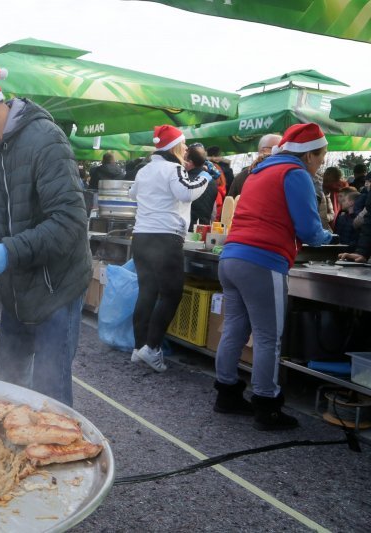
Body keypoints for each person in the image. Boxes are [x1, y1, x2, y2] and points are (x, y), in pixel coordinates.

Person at [0, 60, 91, 406]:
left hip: (57, 285)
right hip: (15, 286)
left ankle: (57, 454)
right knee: (8, 382)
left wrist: (8, 251)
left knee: (49, 389)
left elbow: (70, 220)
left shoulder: (46, 140)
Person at [214, 123, 333, 431]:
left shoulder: (260, 171)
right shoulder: (295, 174)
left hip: (230, 258)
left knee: (234, 330)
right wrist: (327, 236)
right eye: (321, 157)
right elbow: (308, 229)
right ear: (309, 156)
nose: (321, 163)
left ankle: (226, 394)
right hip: (262, 261)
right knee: (268, 337)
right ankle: (267, 407)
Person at [128, 125, 209, 372]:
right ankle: (151, 349)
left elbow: (133, 195)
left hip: (141, 237)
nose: (186, 150)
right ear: (175, 146)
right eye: (183, 145)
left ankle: (139, 348)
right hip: (165, 238)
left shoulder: (144, 170)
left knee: (147, 292)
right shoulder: (173, 168)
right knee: (171, 293)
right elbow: (186, 193)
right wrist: (204, 177)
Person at [185, 144, 217, 230]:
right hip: (204, 229)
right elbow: (214, 212)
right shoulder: (212, 181)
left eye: (184, 159)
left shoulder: (185, 180)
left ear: (190, 162)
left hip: (187, 229)